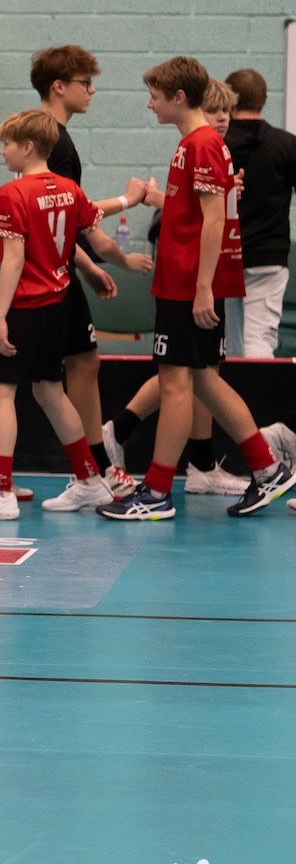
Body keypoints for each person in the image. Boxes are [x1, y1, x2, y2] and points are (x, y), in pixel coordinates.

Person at [97, 57, 293, 520]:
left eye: (155, 97)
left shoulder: (202, 144)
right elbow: (193, 209)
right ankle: (267, 469)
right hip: (185, 281)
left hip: (187, 284)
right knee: (203, 380)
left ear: (179, 97)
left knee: (176, 384)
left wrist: (203, 286)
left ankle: (157, 492)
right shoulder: (199, 144)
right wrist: (153, 196)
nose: (150, 105)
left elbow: (213, 219)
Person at [0, 110, 152, 520]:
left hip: (26, 306)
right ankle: (90, 480)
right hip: (59, 305)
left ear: (27, 147)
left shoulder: (12, 193)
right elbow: (99, 242)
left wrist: (0, 315)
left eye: (6, 144)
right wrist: (126, 263)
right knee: (49, 391)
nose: (2, 151)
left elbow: (13, 260)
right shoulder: (69, 190)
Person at [221, 68, 296, 359]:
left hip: (225, 253)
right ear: (263, 99)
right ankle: (257, 390)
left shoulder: (217, 145)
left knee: (231, 343)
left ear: (229, 100)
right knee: (260, 338)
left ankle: (234, 389)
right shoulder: (285, 145)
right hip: (268, 256)